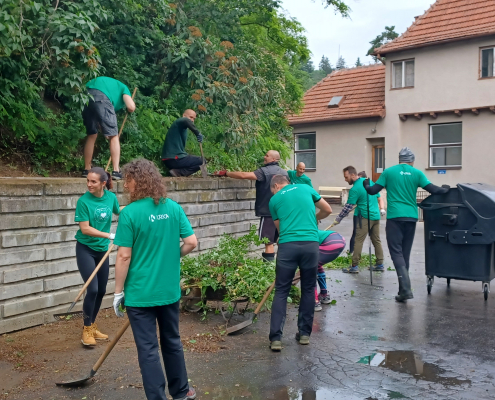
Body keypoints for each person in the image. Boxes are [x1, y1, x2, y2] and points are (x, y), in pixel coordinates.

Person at [113, 158, 198, 400]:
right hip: (169, 290)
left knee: (148, 349)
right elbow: (191, 243)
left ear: (136, 181)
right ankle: (181, 391)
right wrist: (172, 256)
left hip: (140, 294)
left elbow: (123, 256)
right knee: (172, 340)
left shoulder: (129, 214)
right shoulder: (172, 207)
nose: (125, 186)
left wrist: (118, 292)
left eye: (127, 181)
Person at [364, 147, 449, 302]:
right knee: (405, 253)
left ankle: (405, 289)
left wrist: (366, 185)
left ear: (399, 159)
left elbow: (372, 191)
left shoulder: (389, 172)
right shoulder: (417, 173)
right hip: (411, 217)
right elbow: (433, 190)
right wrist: (445, 190)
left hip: (395, 217)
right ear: (412, 160)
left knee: (396, 252)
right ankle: (403, 291)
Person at [268, 174, 332, 351]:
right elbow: (327, 210)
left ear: (276, 187)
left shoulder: (274, 200)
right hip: (310, 245)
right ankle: (304, 334)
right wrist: (313, 219)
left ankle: (276, 339)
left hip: (288, 246)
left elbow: (280, 229)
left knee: (281, 290)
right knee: (308, 288)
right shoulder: (306, 188)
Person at [214, 150, 289, 262]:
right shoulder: (285, 173)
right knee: (281, 239)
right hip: (283, 212)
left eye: (267, 155)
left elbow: (244, 175)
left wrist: (227, 173)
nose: (264, 157)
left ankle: (267, 269)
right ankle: (281, 266)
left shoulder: (264, 172)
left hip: (268, 212)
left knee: (268, 242)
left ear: (273, 159)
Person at [74, 167, 120, 346]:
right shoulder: (83, 201)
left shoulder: (111, 198)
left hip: (102, 250)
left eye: (93, 181)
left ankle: (92, 326)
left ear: (103, 183)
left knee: (101, 290)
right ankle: (86, 330)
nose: (89, 184)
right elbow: (84, 228)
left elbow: (119, 212)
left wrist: (135, 213)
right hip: (86, 249)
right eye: (88, 181)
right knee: (92, 289)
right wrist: (109, 235)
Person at [333, 166, 386, 273]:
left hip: (365, 217)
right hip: (376, 216)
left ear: (353, 175)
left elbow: (348, 207)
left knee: (358, 240)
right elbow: (377, 195)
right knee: (376, 240)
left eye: (346, 177)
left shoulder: (355, 189)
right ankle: (380, 264)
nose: (345, 179)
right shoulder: (369, 181)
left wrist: (338, 218)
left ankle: (354, 266)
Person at [82, 77, 136, 180]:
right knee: (114, 136)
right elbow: (130, 106)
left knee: (92, 134)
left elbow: (101, 119)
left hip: (85, 95)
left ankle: (87, 169)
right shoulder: (124, 88)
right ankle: (116, 171)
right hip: (102, 96)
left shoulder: (111, 86)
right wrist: (131, 107)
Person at [161, 110, 205, 177]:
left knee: (199, 160)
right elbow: (186, 121)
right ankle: (179, 172)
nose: (192, 120)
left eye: (194, 119)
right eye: (191, 117)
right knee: (202, 161)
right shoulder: (179, 122)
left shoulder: (182, 127)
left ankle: (176, 171)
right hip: (174, 159)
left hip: (171, 160)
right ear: (184, 116)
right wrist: (197, 133)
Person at [314, 230, 346, 311]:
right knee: (317, 264)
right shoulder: (309, 230)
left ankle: (314, 301)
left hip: (330, 243)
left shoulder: (303, 235)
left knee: (310, 268)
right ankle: (324, 295)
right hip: (340, 240)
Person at [349, 171, 367, 254]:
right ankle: (352, 252)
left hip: (361, 214)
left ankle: (354, 254)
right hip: (360, 213)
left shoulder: (363, 185)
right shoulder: (359, 187)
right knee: (356, 234)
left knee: (357, 235)